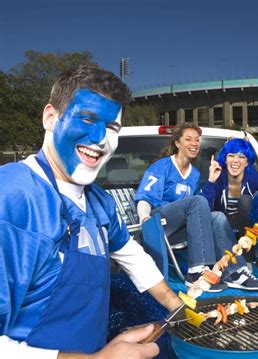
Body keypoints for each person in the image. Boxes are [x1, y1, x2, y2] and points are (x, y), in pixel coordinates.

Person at [0, 65, 182, 358]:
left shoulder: (100, 202)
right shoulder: (12, 197)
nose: (100, 139)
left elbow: (134, 259)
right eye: (87, 118)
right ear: (50, 117)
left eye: (112, 128)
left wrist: (179, 308)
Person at [134, 124, 258, 291]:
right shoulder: (162, 166)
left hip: (179, 231)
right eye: (188, 139)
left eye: (197, 140)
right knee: (197, 201)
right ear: (177, 143)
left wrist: (211, 181)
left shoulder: (195, 173)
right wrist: (145, 220)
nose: (194, 143)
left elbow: (200, 211)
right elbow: (144, 198)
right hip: (157, 224)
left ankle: (235, 272)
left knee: (217, 217)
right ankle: (196, 271)